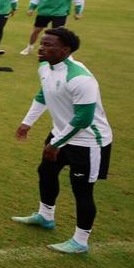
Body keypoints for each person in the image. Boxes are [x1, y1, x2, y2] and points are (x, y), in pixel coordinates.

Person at [12, 27, 112, 254]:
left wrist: (55, 144)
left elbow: (84, 119)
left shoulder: (81, 79)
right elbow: (43, 94)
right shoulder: (45, 67)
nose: (42, 47)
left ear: (65, 50)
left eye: (48, 45)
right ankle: (45, 216)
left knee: (82, 190)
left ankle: (80, 241)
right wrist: (28, 122)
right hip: (62, 133)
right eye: (42, 43)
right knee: (46, 172)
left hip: (88, 142)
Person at [20, 0, 84, 56]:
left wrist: (78, 12)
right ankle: (29, 47)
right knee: (36, 30)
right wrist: (31, 8)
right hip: (43, 12)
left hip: (60, 13)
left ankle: (53, 52)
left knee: (57, 35)